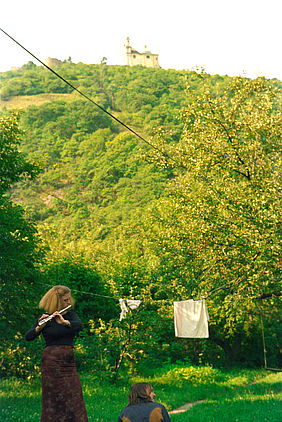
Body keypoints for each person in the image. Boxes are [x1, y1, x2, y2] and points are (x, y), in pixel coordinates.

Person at [25, 285, 88, 422]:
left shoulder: (71, 316)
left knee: (74, 396)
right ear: (57, 302)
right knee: (54, 398)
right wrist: (39, 326)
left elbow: (79, 326)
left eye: (69, 299)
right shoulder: (45, 318)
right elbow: (28, 336)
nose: (68, 303)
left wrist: (65, 323)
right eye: (65, 300)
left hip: (68, 364)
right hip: (51, 363)